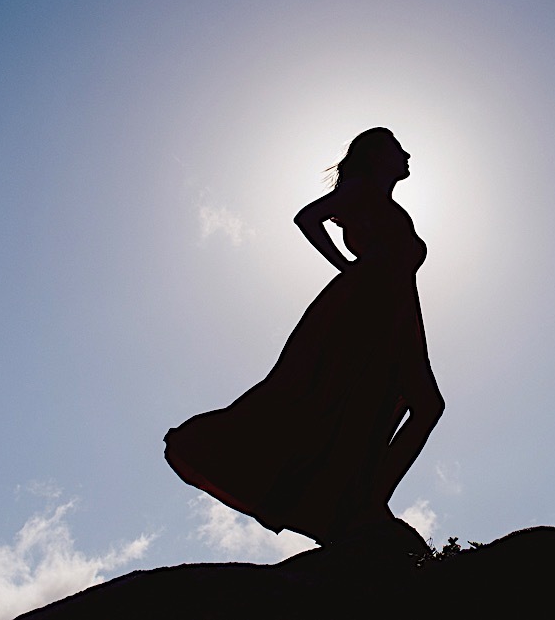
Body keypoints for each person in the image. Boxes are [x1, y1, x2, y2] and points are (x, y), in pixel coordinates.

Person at [164, 128, 444, 546]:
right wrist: (348, 268)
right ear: (375, 157)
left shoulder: (385, 204)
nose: (407, 155)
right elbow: (307, 217)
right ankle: (366, 503)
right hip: (365, 308)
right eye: (396, 149)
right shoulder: (361, 189)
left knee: (405, 404)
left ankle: (366, 501)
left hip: (396, 311)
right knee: (384, 402)